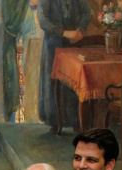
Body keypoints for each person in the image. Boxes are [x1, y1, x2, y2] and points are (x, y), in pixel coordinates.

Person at [37, 0, 90, 134]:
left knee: (74, 82)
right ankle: (55, 121)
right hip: (54, 45)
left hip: (74, 43)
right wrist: (64, 33)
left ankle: (76, 121)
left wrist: (80, 31)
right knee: (53, 82)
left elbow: (87, 13)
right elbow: (43, 20)